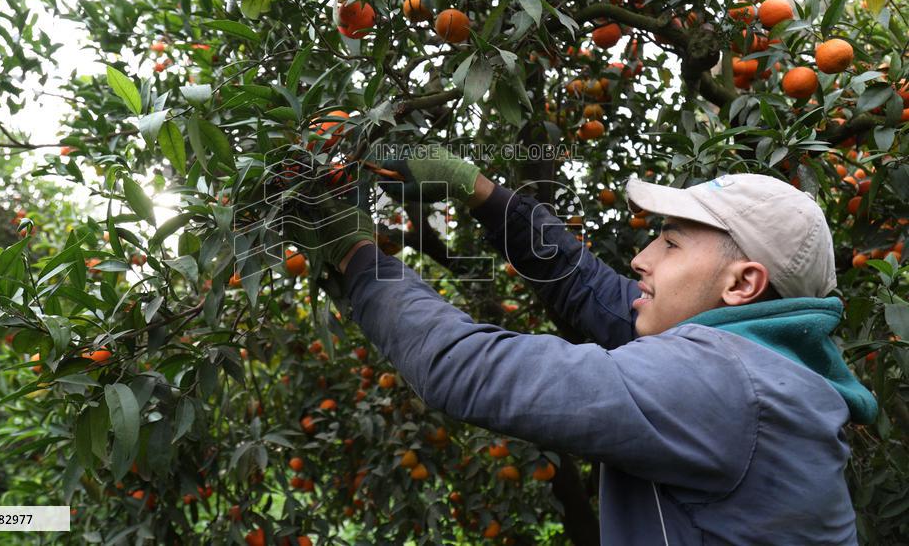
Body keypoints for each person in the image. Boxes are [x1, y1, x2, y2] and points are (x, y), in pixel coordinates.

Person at [286, 149, 877, 545]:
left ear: (741, 283)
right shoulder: (769, 368)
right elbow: (588, 288)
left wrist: (357, 258)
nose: (641, 259)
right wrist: (481, 193)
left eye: (670, 245)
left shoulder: (720, 385)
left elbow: (470, 370)